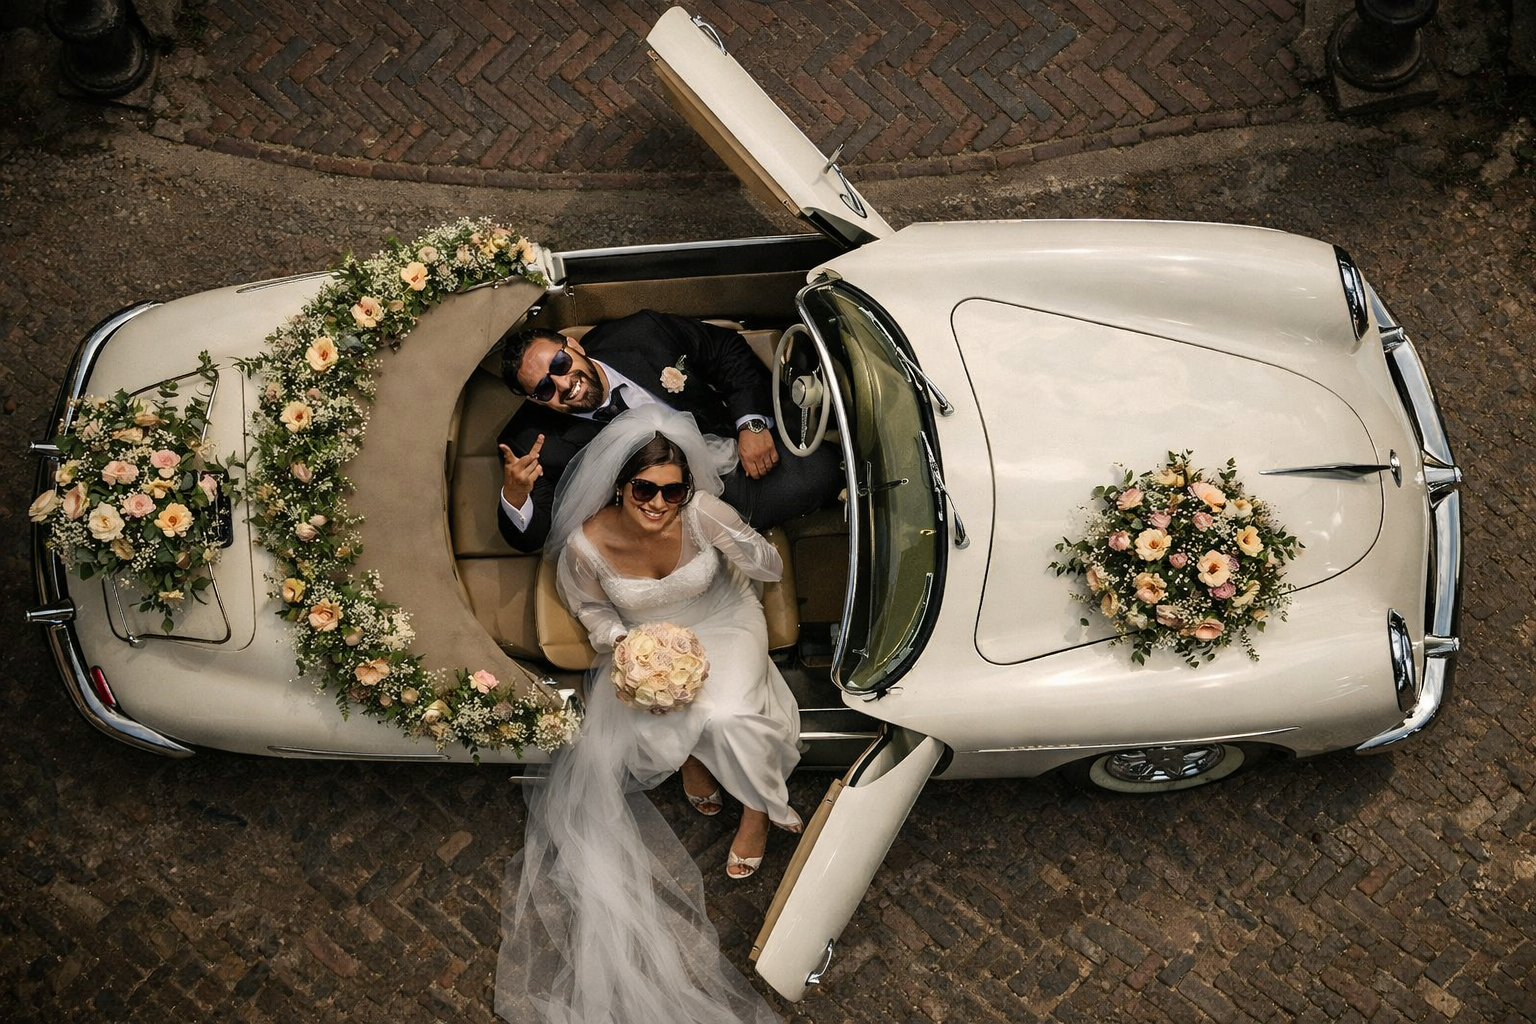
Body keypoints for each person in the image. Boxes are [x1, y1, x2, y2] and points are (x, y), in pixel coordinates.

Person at [495, 404, 801, 1024]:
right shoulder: (588, 543)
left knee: (725, 717)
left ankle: (759, 808)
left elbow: (766, 569)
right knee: (668, 719)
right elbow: (590, 608)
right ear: (620, 485)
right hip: (653, 636)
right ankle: (694, 756)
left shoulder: (702, 514)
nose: (659, 503)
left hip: (725, 618)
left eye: (672, 490)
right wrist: (625, 647)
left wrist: (736, 538)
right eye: (644, 489)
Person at [495, 310, 843, 552]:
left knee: (823, 470)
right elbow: (533, 536)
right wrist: (515, 495)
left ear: (575, 347)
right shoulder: (527, 440)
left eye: (560, 364)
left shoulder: (642, 334)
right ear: (537, 402)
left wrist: (751, 424)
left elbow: (726, 351)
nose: (562, 383)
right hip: (650, 533)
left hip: (730, 471)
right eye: (543, 389)